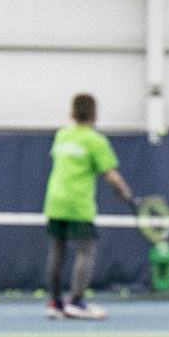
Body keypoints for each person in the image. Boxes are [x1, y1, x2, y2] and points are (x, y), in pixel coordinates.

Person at [41, 92, 134, 320]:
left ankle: (55, 303)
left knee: (57, 252)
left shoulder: (62, 136)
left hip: (54, 202)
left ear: (71, 113)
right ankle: (77, 302)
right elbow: (110, 175)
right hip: (77, 205)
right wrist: (124, 192)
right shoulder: (95, 141)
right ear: (94, 114)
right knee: (85, 251)